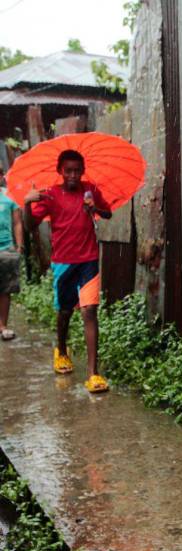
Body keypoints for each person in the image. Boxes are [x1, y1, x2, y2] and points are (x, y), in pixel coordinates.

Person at [23, 149, 112, 393]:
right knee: (64, 312)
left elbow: (108, 213)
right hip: (63, 262)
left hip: (89, 260)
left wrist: (95, 207)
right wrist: (27, 203)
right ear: (60, 171)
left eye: (77, 170)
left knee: (89, 311)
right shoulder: (49, 195)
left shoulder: (90, 190)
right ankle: (61, 350)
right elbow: (31, 226)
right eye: (68, 170)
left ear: (83, 171)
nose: (73, 175)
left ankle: (93, 373)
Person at [0, 167, 23, 341]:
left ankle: (3, 326)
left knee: (5, 289)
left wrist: (19, 246)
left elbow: (17, 223)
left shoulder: (9, 196)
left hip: (6, 249)